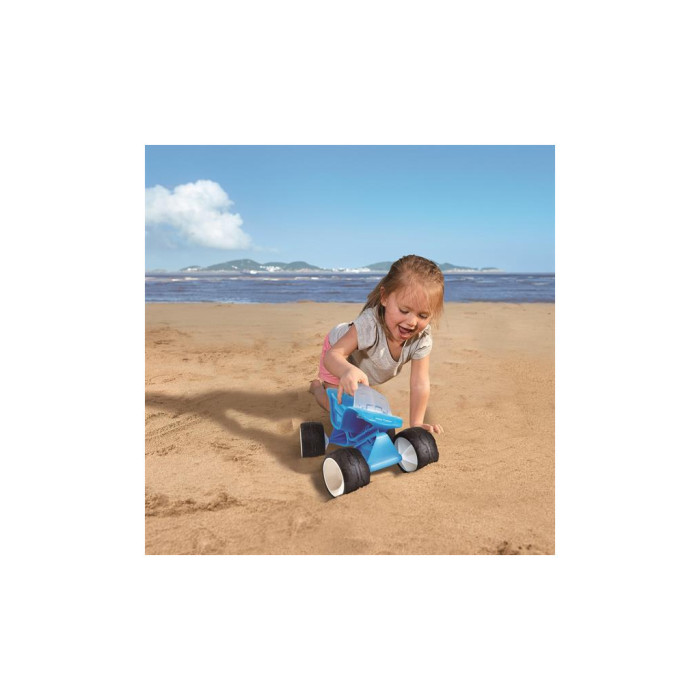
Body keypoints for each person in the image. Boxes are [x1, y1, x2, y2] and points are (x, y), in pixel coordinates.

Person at [309, 254, 444, 435]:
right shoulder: (369, 325)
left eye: (423, 315)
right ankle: (317, 388)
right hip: (340, 355)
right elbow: (332, 356)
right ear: (385, 297)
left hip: (364, 368)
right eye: (404, 310)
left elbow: (419, 382)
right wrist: (347, 370)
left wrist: (417, 423)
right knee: (335, 407)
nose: (412, 322)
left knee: (360, 405)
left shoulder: (422, 338)